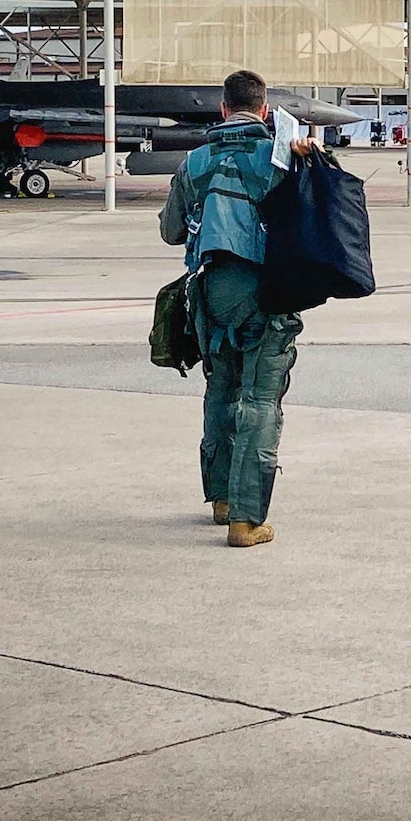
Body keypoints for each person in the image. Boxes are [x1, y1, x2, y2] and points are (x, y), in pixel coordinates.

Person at [158, 70, 315, 548]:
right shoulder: (281, 157)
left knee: (220, 391)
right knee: (261, 400)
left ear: (223, 110)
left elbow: (169, 231)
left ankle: (222, 499)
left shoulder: (194, 161)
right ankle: (246, 521)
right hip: (266, 293)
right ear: (265, 111)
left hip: (209, 295)